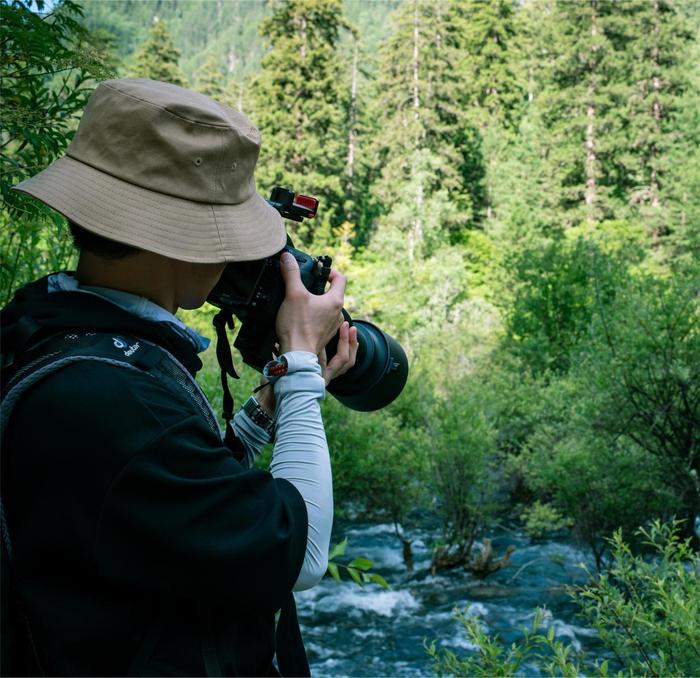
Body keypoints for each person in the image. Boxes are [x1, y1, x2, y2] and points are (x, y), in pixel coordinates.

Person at [0, 78, 358, 676]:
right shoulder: (111, 396)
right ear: (183, 239)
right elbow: (303, 556)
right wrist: (299, 366)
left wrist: (258, 416)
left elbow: (152, 498)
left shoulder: (45, 332)